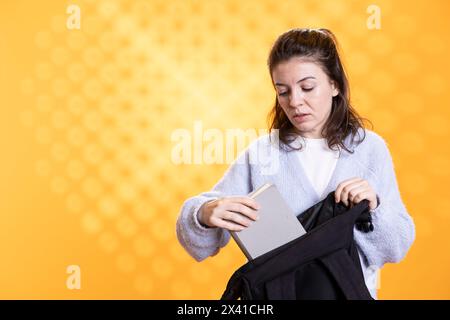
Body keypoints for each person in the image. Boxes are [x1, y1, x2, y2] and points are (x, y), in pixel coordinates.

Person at [176, 28, 415, 299]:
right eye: (283, 91)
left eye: (307, 87)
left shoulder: (369, 149)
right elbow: (199, 243)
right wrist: (204, 213)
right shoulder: (262, 154)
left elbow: (396, 247)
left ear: (334, 84)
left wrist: (374, 207)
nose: (295, 102)